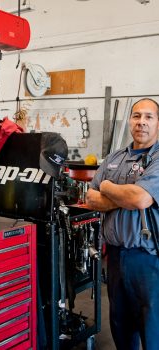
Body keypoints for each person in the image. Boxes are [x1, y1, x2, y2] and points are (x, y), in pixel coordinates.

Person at [86, 98, 159, 350]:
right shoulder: (114, 158)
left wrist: (107, 186)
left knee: (152, 331)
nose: (142, 122)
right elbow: (90, 198)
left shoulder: (158, 158)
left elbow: (140, 198)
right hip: (115, 259)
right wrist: (122, 196)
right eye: (136, 116)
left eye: (149, 117)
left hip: (148, 260)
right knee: (121, 327)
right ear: (129, 121)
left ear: (158, 122)